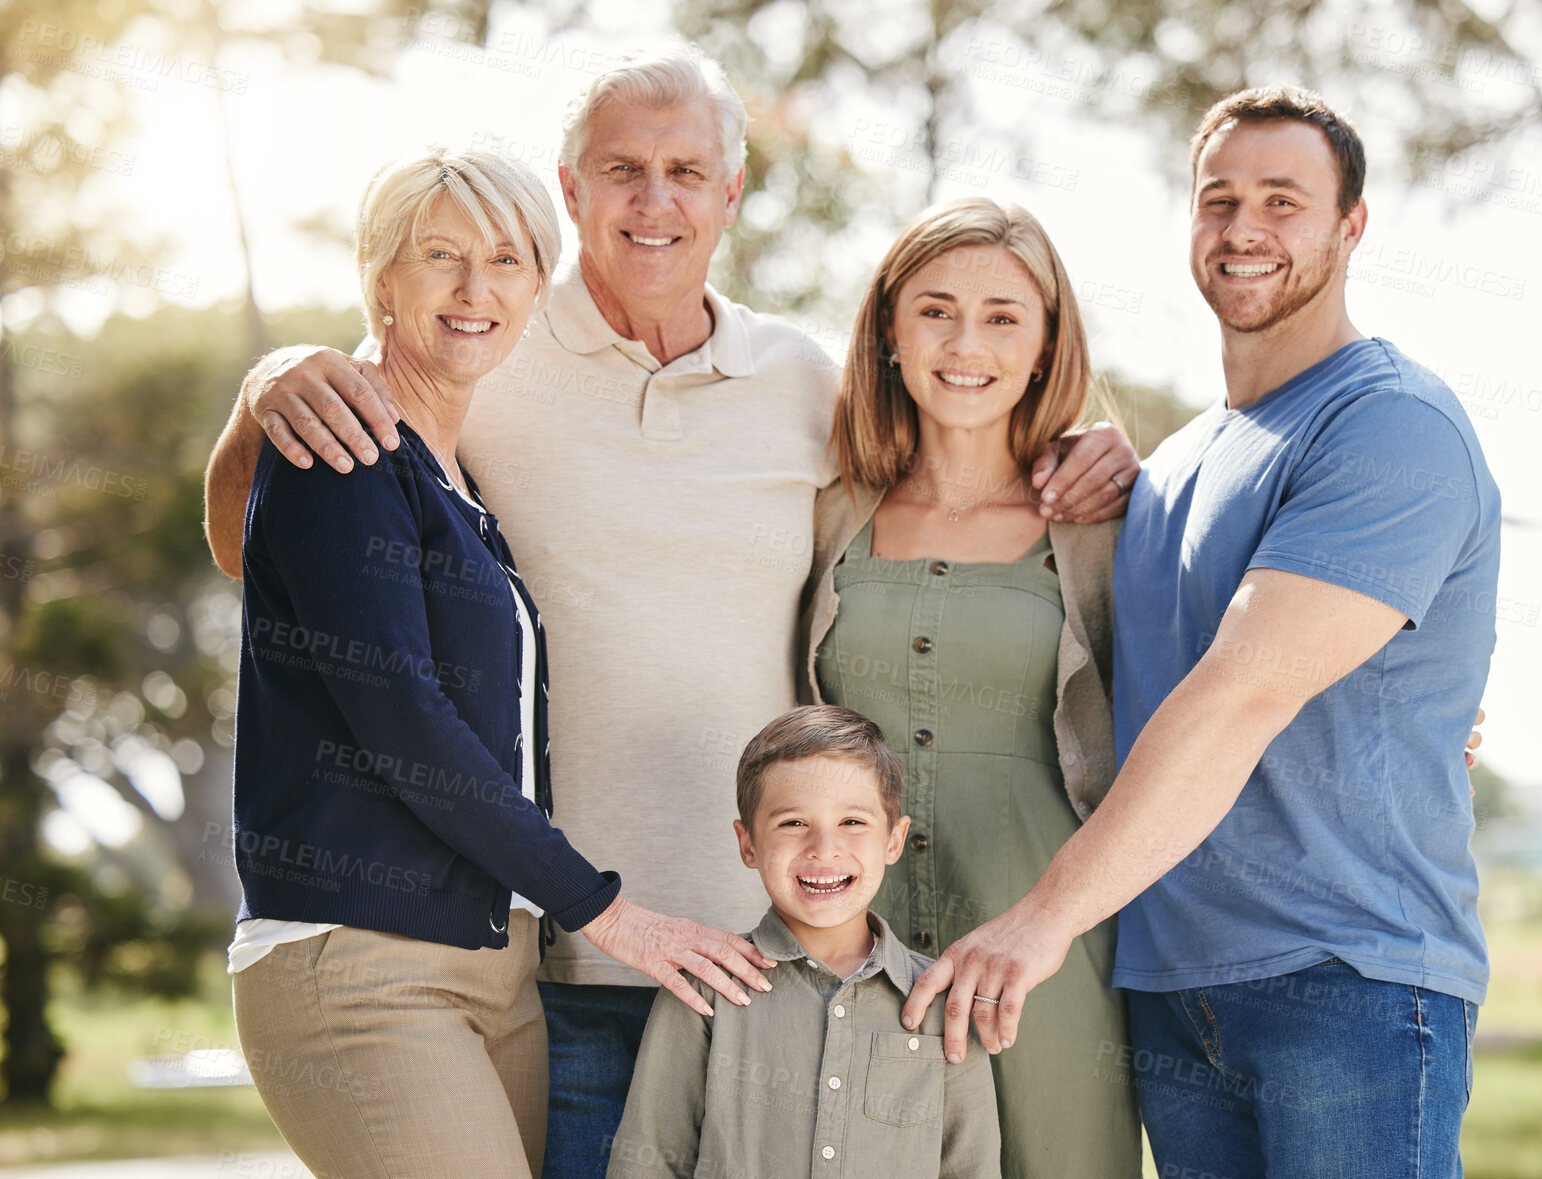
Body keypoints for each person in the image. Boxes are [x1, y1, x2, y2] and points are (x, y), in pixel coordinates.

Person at [200, 45, 1137, 1176]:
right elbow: (256, 538)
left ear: (731, 193)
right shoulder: (483, 341)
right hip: (550, 950)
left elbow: (944, 471)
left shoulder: (799, 382)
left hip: (766, 954)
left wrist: (1081, 446)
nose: (656, 202)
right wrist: (268, 385)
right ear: (570, 188)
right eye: (622, 170)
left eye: (688, 172)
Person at [901, 88, 1501, 1177]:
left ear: (1350, 226)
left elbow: (1242, 692)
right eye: (1218, 199)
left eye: (1284, 200)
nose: (1244, 229)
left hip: (1346, 978)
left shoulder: (1388, 422)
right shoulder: (1171, 466)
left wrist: (1040, 921)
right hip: (1172, 986)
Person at [227, 148, 771, 1179]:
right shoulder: (339, 451)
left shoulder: (459, 482)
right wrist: (607, 910)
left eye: (509, 260)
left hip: (494, 965)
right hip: (360, 960)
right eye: (440, 256)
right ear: (381, 276)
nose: (477, 290)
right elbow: (404, 723)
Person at [798, 198, 1139, 1176]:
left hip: (1050, 966)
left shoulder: (1105, 523)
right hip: (853, 954)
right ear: (890, 334)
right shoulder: (827, 511)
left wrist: (1418, 712)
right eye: (936, 310)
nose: (965, 343)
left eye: (1002, 317)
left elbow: (1222, 681)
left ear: (1043, 345)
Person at [609, 706, 1001, 1179]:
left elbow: (972, 1166)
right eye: (793, 823)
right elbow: (651, 1158)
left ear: (894, 841)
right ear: (748, 843)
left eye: (852, 822)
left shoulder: (945, 1000)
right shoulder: (703, 985)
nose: (824, 848)